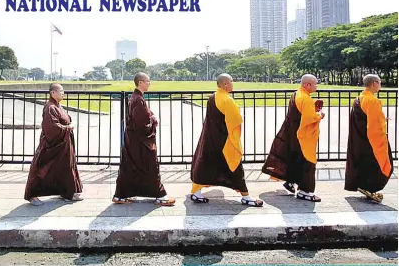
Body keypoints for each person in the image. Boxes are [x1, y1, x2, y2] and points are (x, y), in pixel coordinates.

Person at [189, 74, 263, 207]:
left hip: (211, 139)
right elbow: (236, 120)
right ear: (224, 84)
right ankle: (246, 196)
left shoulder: (213, 96)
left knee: (207, 166)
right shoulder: (227, 100)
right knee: (234, 167)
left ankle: (196, 192)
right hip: (224, 141)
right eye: (231, 81)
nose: (233, 84)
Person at [112, 73, 175, 206]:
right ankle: (160, 195)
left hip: (134, 140)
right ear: (140, 82)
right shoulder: (138, 99)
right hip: (140, 141)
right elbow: (142, 124)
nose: (149, 83)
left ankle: (120, 195)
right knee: (150, 166)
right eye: (148, 81)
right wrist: (152, 120)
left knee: (130, 168)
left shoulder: (137, 97)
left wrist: (150, 117)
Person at [262, 74, 325, 202]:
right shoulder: (306, 99)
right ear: (307, 85)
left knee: (296, 160)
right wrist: (319, 115)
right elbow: (309, 119)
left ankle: (291, 181)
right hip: (303, 137)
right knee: (308, 162)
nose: (316, 86)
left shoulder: (296, 94)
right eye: (315, 84)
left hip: (294, 134)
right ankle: (305, 191)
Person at [25, 83, 83, 205]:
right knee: (42, 169)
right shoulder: (49, 107)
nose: (63, 94)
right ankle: (32, 195)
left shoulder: (57, 106)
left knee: (65, 168)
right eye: (61, 91)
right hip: (51, 144)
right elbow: (52, 127)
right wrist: (68, 128)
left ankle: (68, 193)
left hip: (63, 144)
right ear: (53, 93)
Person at [345, 74, 393, 203]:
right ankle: (369, 187)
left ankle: (367, 187)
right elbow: (374, 126)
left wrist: (382, 119)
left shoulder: (359, 98)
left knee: (366, 163)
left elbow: (365, 118)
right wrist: (381, 140)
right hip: (372, 139)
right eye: (379, 82)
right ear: (374, 84)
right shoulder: (373, 100)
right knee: (384, 164)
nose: (380, 85)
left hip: (361, 138)